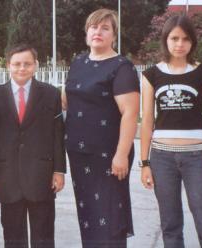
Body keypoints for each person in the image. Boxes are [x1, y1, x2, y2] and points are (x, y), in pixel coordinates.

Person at [140, 15, 202, 248]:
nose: (179, 44)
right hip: (161, 158)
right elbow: (147, 120)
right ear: (166, 39)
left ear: (192, 42)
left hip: (198, 157)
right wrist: (145, 163)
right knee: (171, 224)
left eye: (185, 39)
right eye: (174, 38)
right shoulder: (151, 75)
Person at [62, 8, 140, 247]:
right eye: (94, 27)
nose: (98, 32)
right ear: (87, 33)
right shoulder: (78, 62)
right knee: (89, 219)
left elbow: (130, 113)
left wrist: (121, 155)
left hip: (109, 156)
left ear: (114, 36)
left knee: (110, 220)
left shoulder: (121, 67)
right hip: (79, 155)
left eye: (105, 28)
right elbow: (66, 100)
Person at [0, 44, 66, 248]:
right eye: (17, 64)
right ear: (8, 65)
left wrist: (59, 170)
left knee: (43, 234)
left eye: (27, 64)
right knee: (12, 234)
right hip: (9, 176)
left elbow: (58, 134)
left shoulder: (51, 94)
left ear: (36, 65)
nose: (22, 68)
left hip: (41, 175)